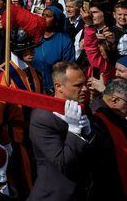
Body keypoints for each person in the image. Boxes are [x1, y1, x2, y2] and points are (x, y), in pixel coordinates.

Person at [0, 24, 43, 197]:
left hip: (35, 137)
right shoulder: (0, 73)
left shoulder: (34, 71)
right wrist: (4, 141)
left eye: (33, 48)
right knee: (20, 184)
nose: (32, 52)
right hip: (13, 140)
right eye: (27, 48)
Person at [27, 61, 93, 201]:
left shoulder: (82, 109)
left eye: (85, 83)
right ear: (59, 87)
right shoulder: (42, 118)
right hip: (54, 196)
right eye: (78, 85)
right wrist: (74, 131)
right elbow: (64, 163)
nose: (85, 89)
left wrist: (89, 134)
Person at [33, 5, 75, 93]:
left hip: (55, 90)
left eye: (48, 16)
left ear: (56, 21)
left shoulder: (65, 41)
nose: (44, 18)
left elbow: (69, 68)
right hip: (34, 87)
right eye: (43, 15)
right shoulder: (34, 36)